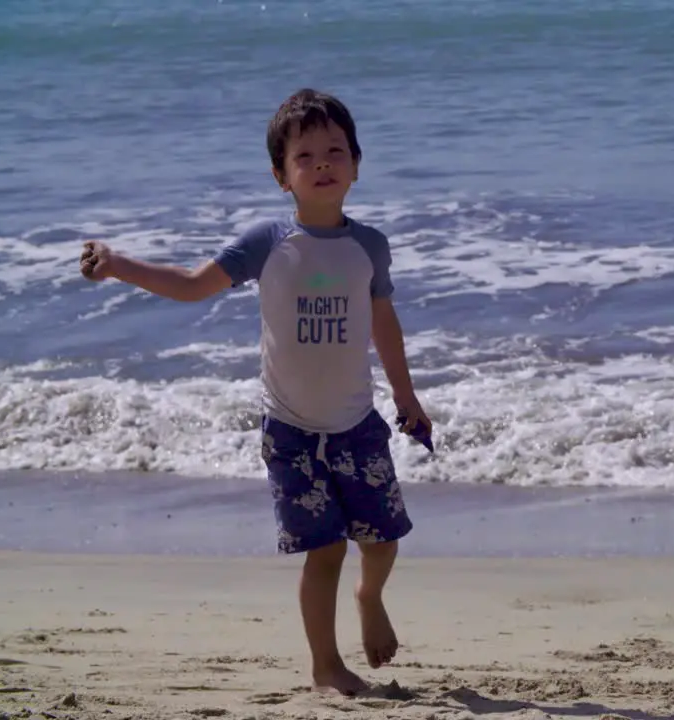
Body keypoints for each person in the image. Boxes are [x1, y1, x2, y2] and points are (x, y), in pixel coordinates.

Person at [77, 88, 429, 697]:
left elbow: (383, 323)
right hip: (290, 430)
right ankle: (326, 666)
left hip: (356, 422)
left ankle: (370, 598)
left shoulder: (369, 245)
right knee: (324, 550)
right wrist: (118, 265)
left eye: (335, 151)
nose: (322, 163)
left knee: (383, 539)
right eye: (306, 156)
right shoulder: (266, 242)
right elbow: (190, 286)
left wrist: (407, 397)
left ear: (357, 164)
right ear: (280, 176)